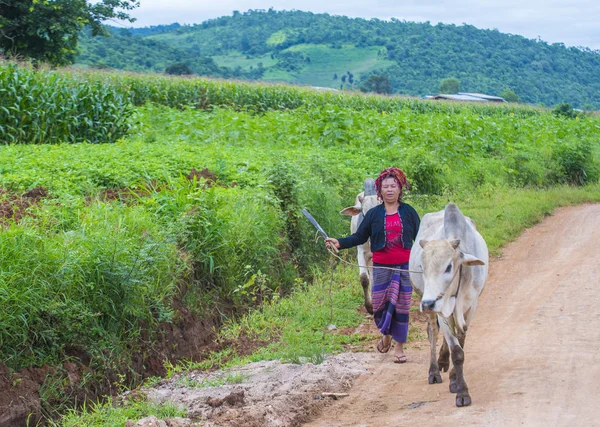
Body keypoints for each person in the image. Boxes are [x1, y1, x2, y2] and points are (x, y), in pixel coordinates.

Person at [325, 167, 420, 363]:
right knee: (379, 307)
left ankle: (399, 349)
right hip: (381, 268)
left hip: (403, 267)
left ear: (400, 189)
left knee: (401, 308)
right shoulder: (373, 214)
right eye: (386, 187)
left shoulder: (409, 213)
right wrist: (339, 242)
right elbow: (359, 237)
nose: (390, 190)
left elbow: (420, 239)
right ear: (380, 191)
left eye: (393, 186)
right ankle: (386, 334)